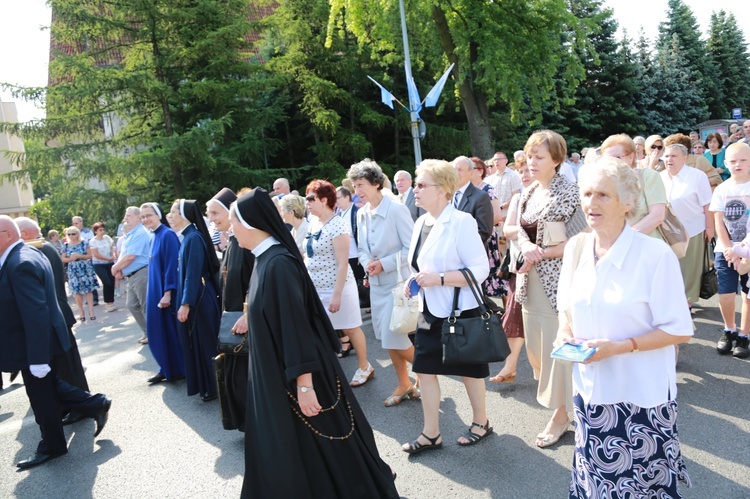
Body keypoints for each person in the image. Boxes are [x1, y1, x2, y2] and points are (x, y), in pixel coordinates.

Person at [229, 188, 399, 498]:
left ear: (252, 224)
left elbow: (295, 328)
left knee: (329, 448)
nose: (230, 228)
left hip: (299, 374)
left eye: (233, 221)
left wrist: (304, 384)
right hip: (281, 374)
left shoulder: (278, 264)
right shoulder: (264, 260)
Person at [557, 158, 693, 498]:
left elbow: (679, 330)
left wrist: (619, 347)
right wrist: (565, 333)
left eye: (603, 194)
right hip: (590, 396)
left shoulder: (655, 255)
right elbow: (567, 309)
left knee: (642, 488)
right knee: (597, 485)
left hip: (640, 400)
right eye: (586, 193)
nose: (591, 203)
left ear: (628, 202)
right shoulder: (576, 248)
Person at [0, 216, 111, 470]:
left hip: (34, 345)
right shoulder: (25, 253)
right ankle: (96, 403)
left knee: (42, 398)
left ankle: (52, 446)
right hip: (34, 342)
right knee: (48, 388)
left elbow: (35, 313)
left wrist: (38, 358)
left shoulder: (20, 263)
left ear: (6, 234)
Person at [400, 159, 492, 454]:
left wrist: (438, 278)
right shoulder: (420, 222)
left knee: (469, 370)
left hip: (459, 310)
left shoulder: (462, 222)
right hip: (428, 310)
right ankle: (431, 434)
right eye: (415, 183)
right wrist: (413, 281)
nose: (415, 189)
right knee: (424, 370)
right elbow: (419, 264)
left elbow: (481, 270)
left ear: (442, 190)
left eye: (421, 184)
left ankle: (481, 422)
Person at [515, 130, 587, 448]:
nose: (531, 161)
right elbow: (518, 228)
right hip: (529, 279)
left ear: (557, 160)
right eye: (530, 155)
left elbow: (580, 237)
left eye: (539, 156)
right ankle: (566, 401)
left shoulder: (572, 193)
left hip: (557, 280)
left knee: (555, 347)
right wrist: (527, 247)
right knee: (535, 347)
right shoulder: (530, 191)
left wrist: (540, 252)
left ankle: (562, 415)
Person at [347, 159, 417, 407]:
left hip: (396, 285)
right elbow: (362, 249)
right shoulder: (362, 213)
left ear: (376, 184)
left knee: (393, 337)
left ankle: (428, 373)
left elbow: (412, 250)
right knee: (388, 338)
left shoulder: (397, 210)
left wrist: (384, 264)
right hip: (376, 285)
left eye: (362, 184)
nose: (358, 191)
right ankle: (404, 382)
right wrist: (368, 264)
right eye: (355, 186)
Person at [15, 217, 91, 424]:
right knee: (63, 367)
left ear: (25, 233)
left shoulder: (41, 249)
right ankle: (73, 405)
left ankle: (84, 406)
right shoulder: (44, 248)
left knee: (69, 367)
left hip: (56, 315)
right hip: (57, 314)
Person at [304, 180, 374, 386]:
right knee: (321, 330)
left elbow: (343, 263)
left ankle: (365, 367)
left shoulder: (338, 225)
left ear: (325, 200)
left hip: (338, 288)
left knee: (351, 328)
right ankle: (327, 371)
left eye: (311, 198)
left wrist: (336, 295)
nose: (307, 202)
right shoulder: (313, 221)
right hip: (316, 288)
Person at [207, 187, 255, 430]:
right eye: (208, 215)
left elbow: (255, 280)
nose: (211, 219)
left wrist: (248, 313)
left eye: (215, 213)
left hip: (247, 322)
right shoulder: (232, 243)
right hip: (233, 323)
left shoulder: (247, 244)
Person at [169, 200, 222, 401]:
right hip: (196, 297)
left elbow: (193, 274)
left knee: (206, 342)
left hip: (200, 299)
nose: (170, 216)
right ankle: (209, 385)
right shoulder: (188, 237)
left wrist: (186, 303)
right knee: (199, 342)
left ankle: (215, 386)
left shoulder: (194, 238)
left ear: (184, 215)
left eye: (173, 212)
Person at [490, 162, 532, 384]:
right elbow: (508, 229)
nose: (525, 175)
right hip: (520, 266)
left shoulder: (556, 197)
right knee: (515, 314)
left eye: (528, 171)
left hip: (548, 269)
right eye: (522, 172)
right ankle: (510, 366)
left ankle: (546, 374)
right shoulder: (518, 199)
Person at [660, 144, 714, 307]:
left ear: (685, 158)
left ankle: (687, 302)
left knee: (689, 267)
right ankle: (672, 299)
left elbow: (707, 204)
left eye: (674, 156)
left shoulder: (697, 176)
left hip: (693, 228)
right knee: (669, 267)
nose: (669, 160)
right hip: (666, 231)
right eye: (667, 156)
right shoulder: (660, 176)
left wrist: (710, 228)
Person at [709, 143, 750, 359]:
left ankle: (744, 335)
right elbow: (719, 223)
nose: (738, 164)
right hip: (725, 250)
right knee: (725, 295)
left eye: (743, 160)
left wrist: (743, 252)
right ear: (725, 163)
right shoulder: (722, 190)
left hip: (749, 250)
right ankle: (729, 329)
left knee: (747, 296)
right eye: (733, 161)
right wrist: (729, 250)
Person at [140, 202, 184, 384]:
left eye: (148, 215)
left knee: (169, 332)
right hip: (154, 292)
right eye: (142, 217)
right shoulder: (153, 236)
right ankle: (165, 367)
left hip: (165, 294)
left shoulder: (167, 235)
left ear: (158, 215)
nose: (145, 219)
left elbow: (172, 267)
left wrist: (168, 292)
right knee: (157, 331)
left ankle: (177, 368)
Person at [600, 134, 666, 240]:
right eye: (607, 158)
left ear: (631, 157)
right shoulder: (602, 183)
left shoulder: (648, 176)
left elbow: (657, 216)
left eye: (616, 157)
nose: (611, 162)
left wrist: (624, 238)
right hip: (612, 247)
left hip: (645, 246)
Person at [111, 207, 150, 344]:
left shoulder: (140, 233)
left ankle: (154, 334)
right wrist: (122, 269)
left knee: (146, 306)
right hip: (132, 275)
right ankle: (147, 332)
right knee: (132, 305)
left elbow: (131, 256)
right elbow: (124, 255)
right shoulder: (131, 234)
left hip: (141, 273)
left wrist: (116, 267)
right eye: (125, 215)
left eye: (129, 215)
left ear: (138, 217)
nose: (126, 217)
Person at [469, 157, 504, 298]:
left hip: (486, 236)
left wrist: (478, 225)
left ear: (480, 171)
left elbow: (497, 215)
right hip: (472, 237)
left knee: (492, 275)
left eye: (472, 169)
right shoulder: (467, 190)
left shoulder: (487, 189)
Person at [451, 156, 494, 248]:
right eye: (454, 170)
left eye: (460, 170)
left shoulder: (481, 197)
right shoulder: (447, 195)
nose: (456, 173)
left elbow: (484, 231)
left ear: (470, 173)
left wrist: (457, 246)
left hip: (470, 254)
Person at [60, 226, 98, 322]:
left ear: (77, 234)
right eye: (69, 234)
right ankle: (81, 311)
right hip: (73, 269)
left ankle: (91, 310)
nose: (71, 236)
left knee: (88, 290)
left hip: (84, 268)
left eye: (73, 234)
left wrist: (79, 256)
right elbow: (62, 258)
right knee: (76, 292)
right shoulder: (66, 245)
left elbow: (90, 255)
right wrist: (70, 259)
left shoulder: (84, 243)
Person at [89, 222, 117, 312]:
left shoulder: (107, 238)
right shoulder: (93, 241)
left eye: (103, 229)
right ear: (95, 231)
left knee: (112, 282)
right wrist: (108, 258)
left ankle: (111, 302)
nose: (102, 232)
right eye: (100, 230)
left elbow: (112, 248)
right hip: (99, 264)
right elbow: (96, 254)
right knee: (106, 282)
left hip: (109, 263)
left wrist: (113, 255)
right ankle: (108, 303)